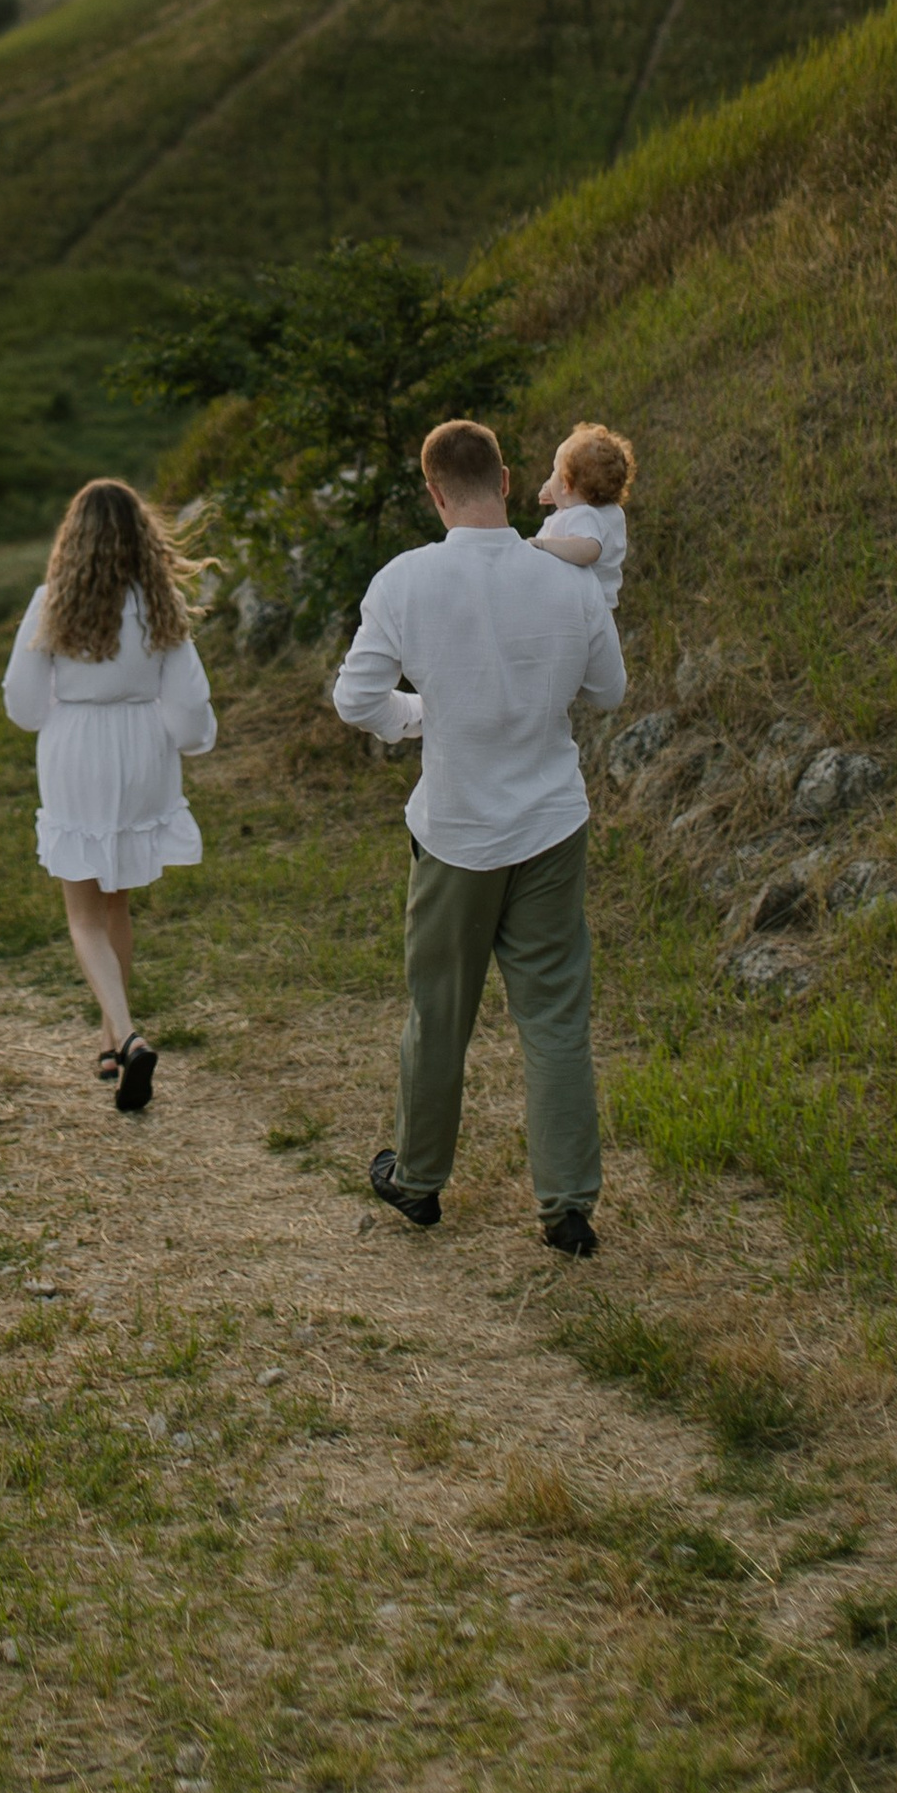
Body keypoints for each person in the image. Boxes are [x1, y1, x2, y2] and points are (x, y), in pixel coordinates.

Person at [333, 417, 625, 1254]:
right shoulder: (568, 581)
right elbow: (607, 690)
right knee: (556, 1018)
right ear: (504, 481)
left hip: (456, 829)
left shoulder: (403, 581)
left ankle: (418, 1183)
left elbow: (357, 701)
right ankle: (567, 1205)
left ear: (434, 493)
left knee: (438, 1011)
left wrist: (420, 715)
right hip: (549, 821)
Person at [4, 477, 215, 1114]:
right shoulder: (159, 604)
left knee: (83, 913)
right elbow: (188, 705)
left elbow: (21, 700)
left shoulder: (51, 602)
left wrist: (55, 716)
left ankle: (124, 1035)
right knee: (116, 900)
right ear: (140, 540)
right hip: (139, 751)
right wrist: (191, 742)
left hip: (76, 750)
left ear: (74, 540)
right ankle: (109, 1036)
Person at [531, 421, 635, 614]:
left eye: (554, 471)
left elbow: (590, 550)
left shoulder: (585, 517)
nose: (550, 477)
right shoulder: (606, 511)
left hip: (579, 611)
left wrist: (544, 544)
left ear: (567, 486)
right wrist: (558, 493)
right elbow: (575, 500)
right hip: (597, 611)